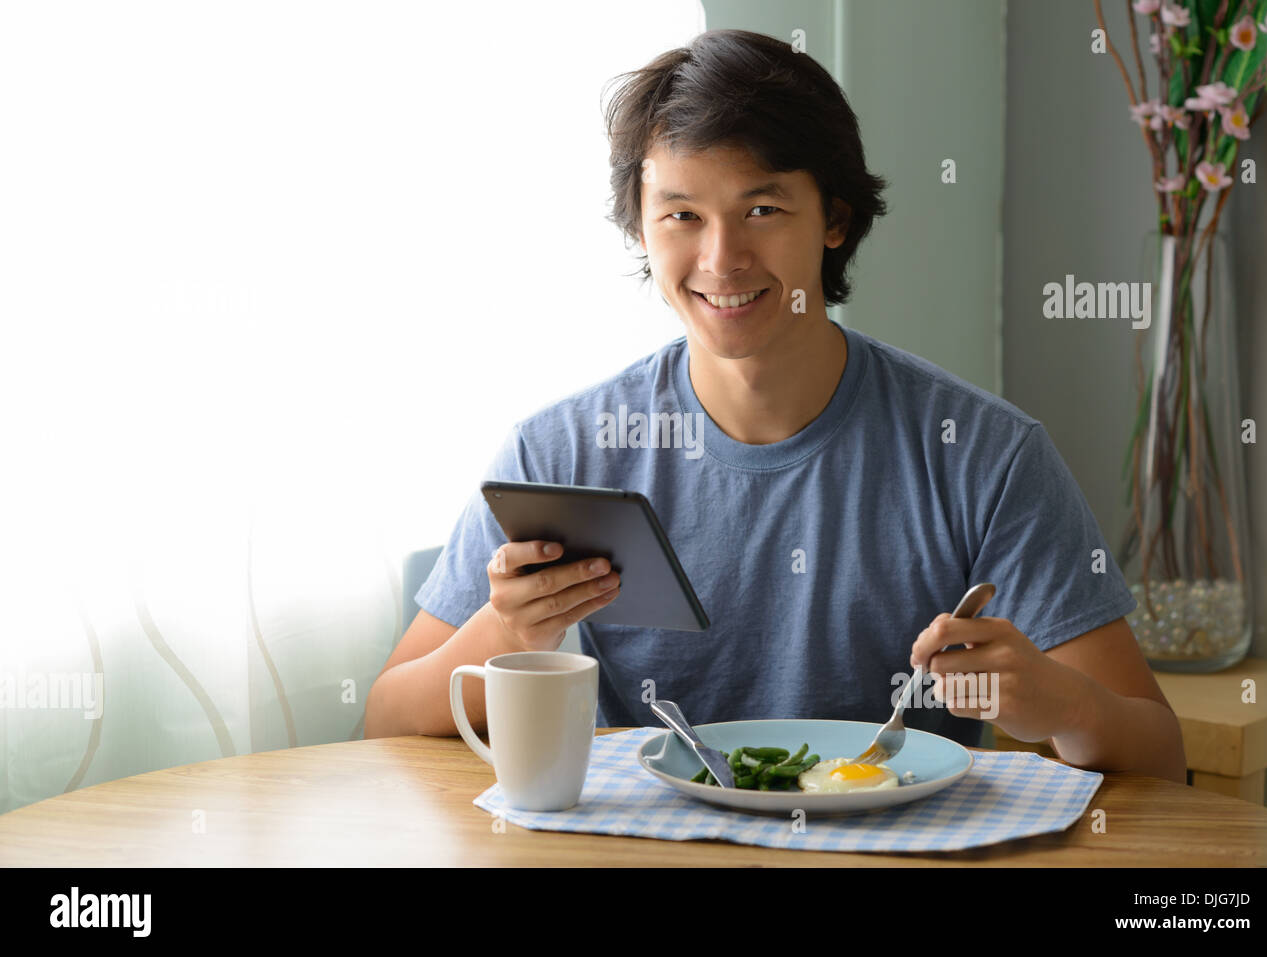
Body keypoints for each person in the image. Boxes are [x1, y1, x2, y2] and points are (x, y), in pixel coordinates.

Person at [364, 29, 1185, 784]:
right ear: (641, 231)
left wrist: (1061, 707)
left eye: (762, 209)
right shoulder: (564, 450)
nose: (721, 259)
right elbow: (385, 719)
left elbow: (1160, 752)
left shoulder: (983, 454)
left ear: (834, 217)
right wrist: (510, 635)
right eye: (681, 215)